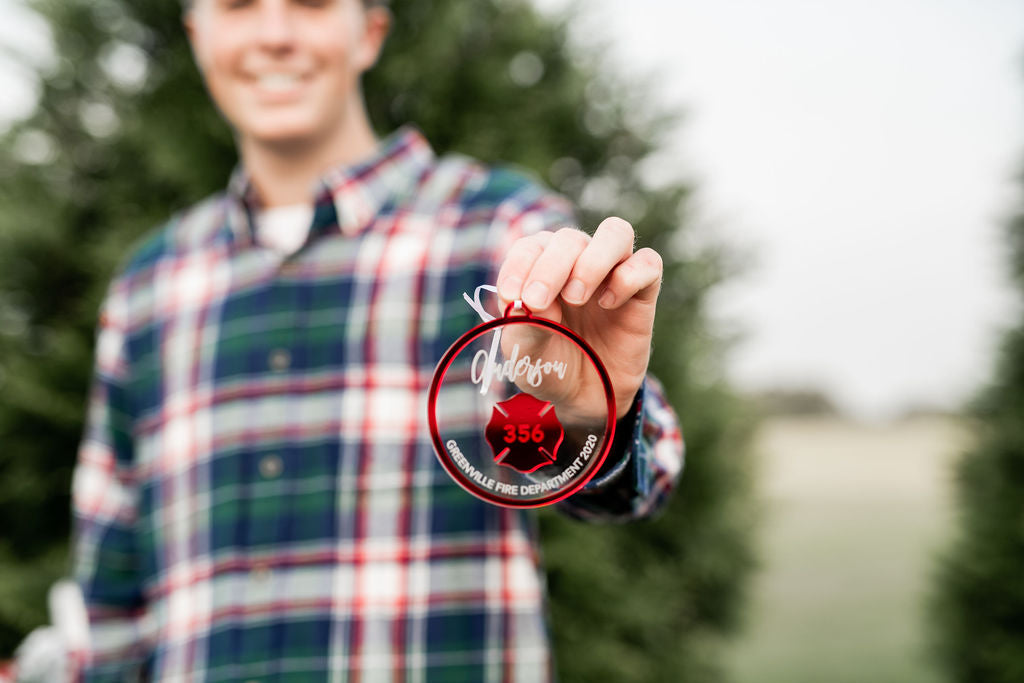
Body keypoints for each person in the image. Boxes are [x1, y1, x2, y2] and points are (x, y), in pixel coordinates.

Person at [71, 0, 684, 680]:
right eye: (239, 4)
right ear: (198, 34)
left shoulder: (499, 232)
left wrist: (587, 414)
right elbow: (109, 608)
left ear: (369, 31)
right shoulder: (148, 286)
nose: (275, 34)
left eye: (310, 3)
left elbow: (642, 478)